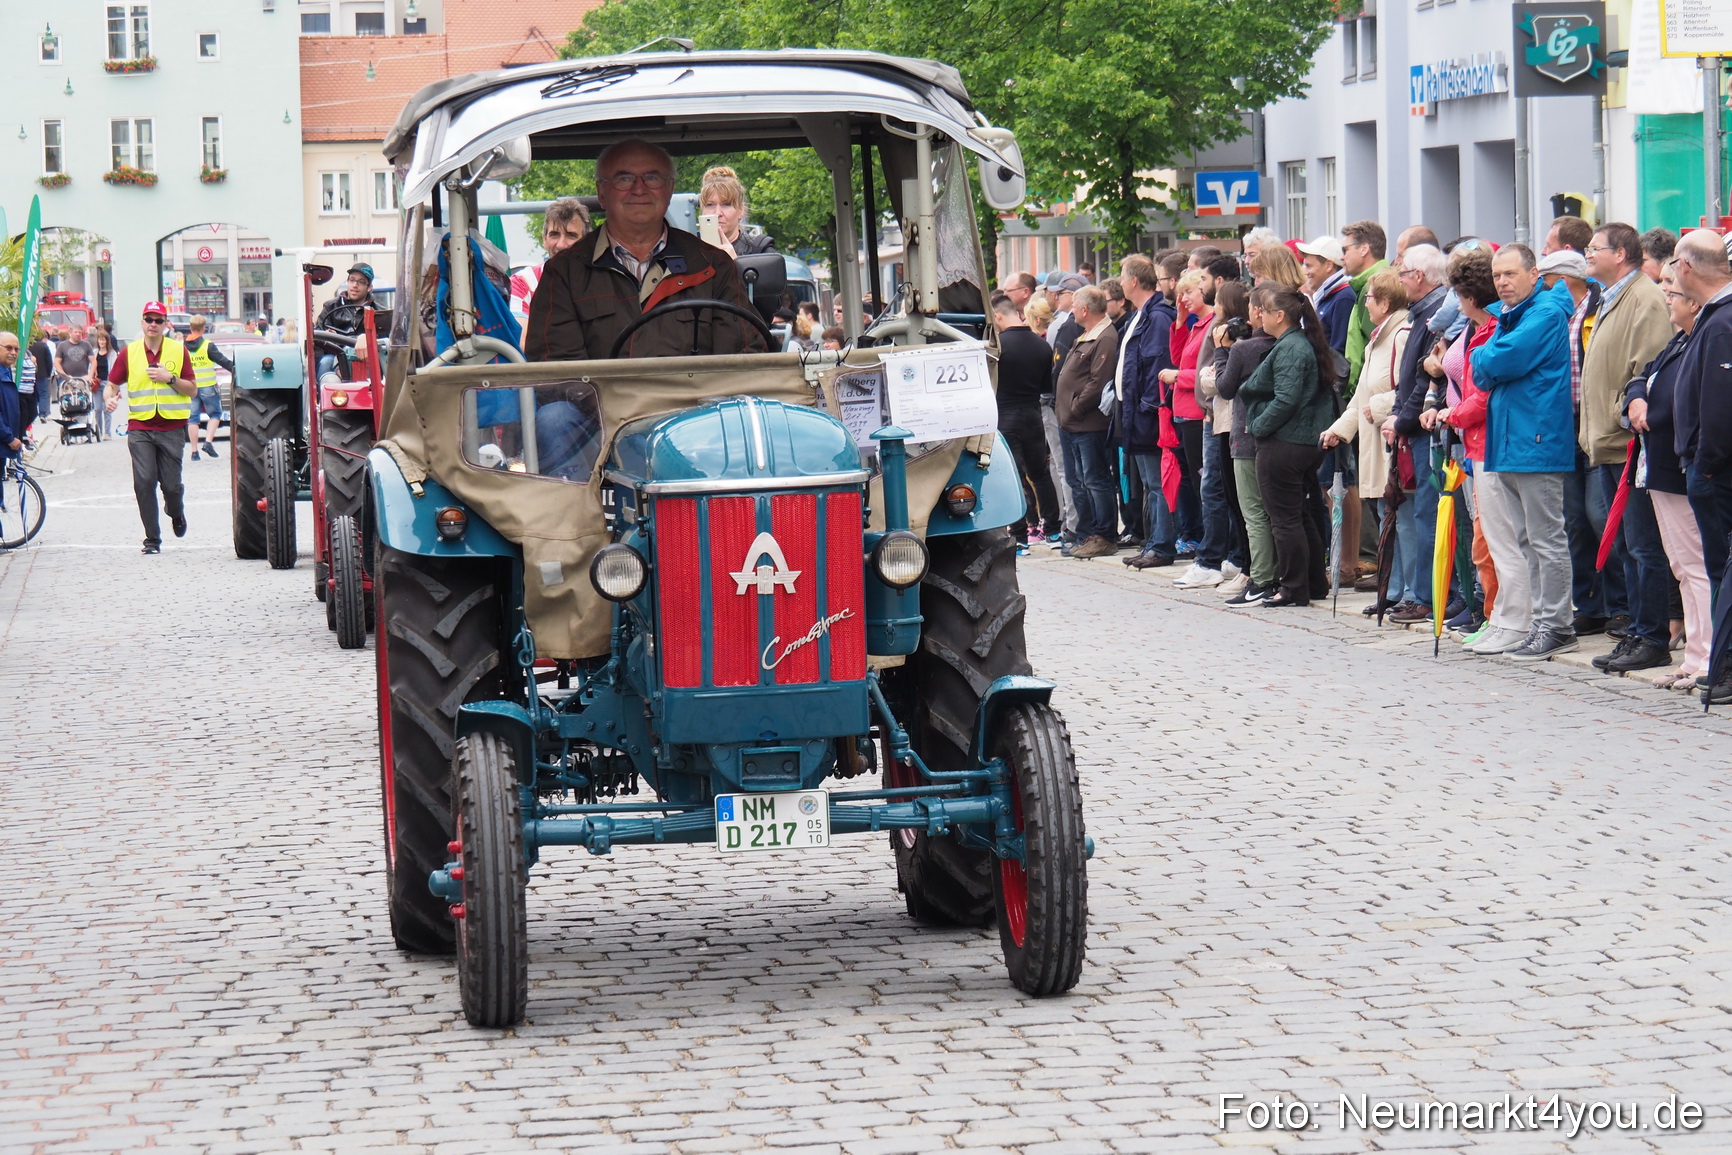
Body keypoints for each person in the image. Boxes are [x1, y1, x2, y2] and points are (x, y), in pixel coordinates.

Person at [526, 140, 768, 362]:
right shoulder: (564, 272)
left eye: (652, 178)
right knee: (559, 412)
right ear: (601, 193)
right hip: (599, 407)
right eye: (624, 179)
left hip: (697, 406)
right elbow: (555, 367)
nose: (639, 189)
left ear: (670, 189)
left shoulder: (714, 266)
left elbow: (746, 353)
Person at [1470, 244, 1579, 661]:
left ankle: (1556, 624)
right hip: (1513, 440)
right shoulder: (1512, 314)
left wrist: (1482, 357)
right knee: (1524, 539)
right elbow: (1486, 365)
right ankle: (1541, 621)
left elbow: (1499, 361)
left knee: (1545, 538)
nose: (1502, 282)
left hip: (1535, 441)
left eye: (1510, 274)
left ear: (1534, 273)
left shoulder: (1544, 313)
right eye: (1498, 276)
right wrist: (1485, 358)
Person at [1579, 222, 1675, 673]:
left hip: (1628, 443)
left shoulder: (1644, 299)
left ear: (1620, 254)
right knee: (1627, 545)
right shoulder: (1614, 295)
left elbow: (1648, 371)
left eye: (1593, 249)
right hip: (1610, 443)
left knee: (1643, 546)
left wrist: (1620, 414)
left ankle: (1652, 636)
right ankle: (1638, 630)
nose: (1586, 255)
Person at [1626, 262, 1710, 689]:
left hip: (1678, 463)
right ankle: (1695, 656)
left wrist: (1647, 408)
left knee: (1695, 565)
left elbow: (1682, 401)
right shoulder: (1679, 341)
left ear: (1694, 302)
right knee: (1681, 564)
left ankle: (1708, 656)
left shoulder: (1703, 340)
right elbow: (1641, 377)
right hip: (1658, 465)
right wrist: (1636, 399)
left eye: (1673, 293)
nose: (1667, 299)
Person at [1424, 249, 1510, 650]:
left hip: (1487, 441)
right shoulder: (1473, 329)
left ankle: (1498, 615)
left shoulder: (1492, 328)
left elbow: (1483, 392)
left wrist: (1453, 414)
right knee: (1481, 541)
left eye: (1457, 295)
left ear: (1469, 296)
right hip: (1470, 443)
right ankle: (1489, 612)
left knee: (1492, 540)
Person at [1237, 281, 1338, 606]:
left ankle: (1293, 588)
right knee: (1299, 514)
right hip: (1298, 442)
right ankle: (1312, 584)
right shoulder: (1296, 343)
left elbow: (1286, 398)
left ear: (1279, 315)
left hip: (1286, 442)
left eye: (1264, 311)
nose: (1258, 315)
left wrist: (1258, 426)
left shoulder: (1292, 347)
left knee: (1285, 518)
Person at [1320, 268, 1408, 612]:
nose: (1365, 304)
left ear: (1384, 302)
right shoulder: (1378, 338)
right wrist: (1338, 429)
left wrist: (1379, 406)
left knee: (1396, 520)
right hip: (1373, 440)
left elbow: (1406, 390)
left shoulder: (1400, 335)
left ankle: (1401, 592)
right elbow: (1360, 400)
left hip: (1391, 442)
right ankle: (1393, 591)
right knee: (1387, 517)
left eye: (1369, 298)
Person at [1381, 243, 1451, 622]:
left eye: (1404, 272)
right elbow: (1408, 379)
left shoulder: (1435, 314)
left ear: (1419, 276)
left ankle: (1427, 596)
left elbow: (1426, 380)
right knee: (1422, 512)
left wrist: (1402, 418)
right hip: (1414, 427)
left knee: (1429, 513)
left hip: (1427, 429)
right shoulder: (1422, 311)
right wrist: (1397, 414)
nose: (1401, 279)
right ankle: (1422, 593)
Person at [105, 302, 196, 554]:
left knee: (171, 486)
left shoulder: (179, 351)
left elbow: (193, 389)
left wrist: (171, 379)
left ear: (166, 324)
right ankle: (152, 539)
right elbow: (111, 384)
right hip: (140, 427)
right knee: (144, 482)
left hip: (171, 428)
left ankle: (176, 512)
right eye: (149, 319)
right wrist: (109, 398)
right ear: (142, 322)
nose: (153, 324)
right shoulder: (130, 352)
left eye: (158, 320)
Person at [1118, 253, 1179, 569]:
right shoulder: (1139, 315)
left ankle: (1162, 545)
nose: (1119, 282)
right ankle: (1153, 542)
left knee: (1157, 483)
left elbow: (1156, 363)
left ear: (1133, 281)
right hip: (1136, 413)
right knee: (1148, 484)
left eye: (1122, 275)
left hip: (1148, 414)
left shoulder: (1156, 317)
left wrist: (1146, 407)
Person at [1052, 285, 1122, 558]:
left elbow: (1098, 382)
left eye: (1074, 306)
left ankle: (1104, 535)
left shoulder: (1104, 337)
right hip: (1072, 422)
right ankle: (1088, 533)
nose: (1071, 311)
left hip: (1087, 423)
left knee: (1096, 479)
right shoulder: (1088, 335)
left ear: (1084, 309)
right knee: (1080, 479)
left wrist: (1075, 408)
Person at [993, 294, 1061, 547]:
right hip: (1033, 415)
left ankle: (1020, 535)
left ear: (998, 315)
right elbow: (1046, 386)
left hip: (1005, 415)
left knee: (1013, 476)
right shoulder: (1041, 345)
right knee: (1040, 474)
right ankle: (1053, 531)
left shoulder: (998, 347)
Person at [509, 198, 591, 322]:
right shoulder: (522, 284)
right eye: (554, 235)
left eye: (571, 235)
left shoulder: (603, 283)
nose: (561, 244)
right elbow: (522, 339)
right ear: (544, 240)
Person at [1341, 220, 1391, 394]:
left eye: (1345, 250)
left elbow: (1374, 344)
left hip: (1369, 392)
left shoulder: (1375, 286)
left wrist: (1352, 390)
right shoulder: (1372, 282)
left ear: (1364, 249)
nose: (1342, 257)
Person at [183, 315, 237, 461]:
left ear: (190, 327)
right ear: (203, 328)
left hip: (191, 388)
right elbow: (223, 361)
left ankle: (194, 452)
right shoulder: (207, 345)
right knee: (215, 414)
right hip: (208, 387)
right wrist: (237, 368)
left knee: (193, 419)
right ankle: (208, 442)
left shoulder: (182, 347)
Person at [314, 264, 377, 380]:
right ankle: (324, 396)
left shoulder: (377, 311)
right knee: (325, 364)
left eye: (361, 282)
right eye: (352, 280)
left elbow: (387, 336)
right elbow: (317, 335)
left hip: (368, 357)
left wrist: (367, 337)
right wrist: (330, 337)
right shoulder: (331, 307)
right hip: (335, 355)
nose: (355, 285)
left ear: (369, 287)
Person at [699, 166, 777, 257]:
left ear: (741, 211)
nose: (717, 213)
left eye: (726, 204)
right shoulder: (687, 249)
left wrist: (736, 263)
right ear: (702, 210)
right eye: (710, 205)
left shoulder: (761, 250)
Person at [1297, 236, 1353, 353]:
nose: (1305, 272)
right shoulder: (1329, 296)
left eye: (1309, 266)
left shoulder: (1343, 298)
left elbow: (1338, 353)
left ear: (1328, 265)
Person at [0, 332, 22, 461]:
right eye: (8, 348)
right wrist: (9, 438)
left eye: (16, 349)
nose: (13, 352)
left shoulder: (6, 371)